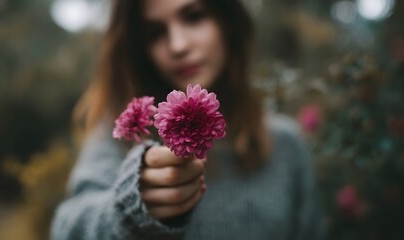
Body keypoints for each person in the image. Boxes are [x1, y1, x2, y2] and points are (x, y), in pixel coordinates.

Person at [51, 0, 323, 239]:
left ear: (227, 19)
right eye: (155, 33)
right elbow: (67, 227)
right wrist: (128, 212)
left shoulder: (285, 145)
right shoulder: (118, 141)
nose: (178, 45)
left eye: (193, 16)